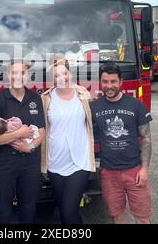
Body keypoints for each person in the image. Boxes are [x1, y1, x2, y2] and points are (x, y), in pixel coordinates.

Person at [90, 61, 153, 224]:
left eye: (113, 81)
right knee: (116, 214)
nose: (109, 86)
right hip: (108, 173)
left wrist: (144, 169)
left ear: (121, 82)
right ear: (100, 83)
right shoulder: (94, 107)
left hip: (134, 170)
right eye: (105, 82)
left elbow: (146, 137)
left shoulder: (136, 105)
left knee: (143, 216)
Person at [0, 60, 45, 224]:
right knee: (2, 212)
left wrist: (29, 146)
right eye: (14, 73)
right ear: (8, 75)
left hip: (30, 163)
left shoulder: (35, 99)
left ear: (28, 76)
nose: (18, 77)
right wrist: (19, 133)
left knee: (28, 210)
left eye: (22, 73)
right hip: (5, 163)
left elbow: (42, 130)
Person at [41, 58, 96, 224]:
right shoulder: (45, 99)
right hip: (55, 162)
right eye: (56, 75)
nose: (62, 78)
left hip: (80, 161)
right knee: (64, 208)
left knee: (68, 211)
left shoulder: (84, 95)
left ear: (70, 74)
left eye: (64, 73)